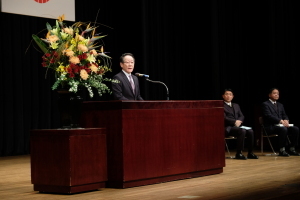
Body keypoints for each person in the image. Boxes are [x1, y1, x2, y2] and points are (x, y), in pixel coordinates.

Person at [261, 88, 300, 157]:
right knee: (283, 129)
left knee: (295, 129)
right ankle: (282, 150)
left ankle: (292, 149)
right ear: (269, 95)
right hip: (271, 126)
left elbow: (284, 115)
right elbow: (268, 116)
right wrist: (280, 120)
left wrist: (286, 120)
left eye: (278, 93)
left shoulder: (280, 105)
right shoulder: (265, 104)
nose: (276, 95)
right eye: (274, 93)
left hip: (281, 125)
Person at [223, 88, 259, 160]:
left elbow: (241, 115)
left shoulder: (236, 105)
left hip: (238, 126)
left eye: (230, 94)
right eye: (226, 94)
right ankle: (239, 153)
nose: (228, 96)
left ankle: (250, 152)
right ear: (223, 96)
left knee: (250, 131)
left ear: (233, 96)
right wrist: (234, 122)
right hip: (228, 127)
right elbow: (223, 118)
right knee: (242, 131)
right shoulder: (221, 105)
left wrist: (239, 121)